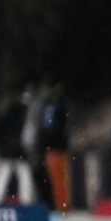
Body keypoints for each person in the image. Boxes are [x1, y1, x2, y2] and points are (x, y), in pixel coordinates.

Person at [0, 92, 35, 205]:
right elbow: (28, 135)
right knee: (24, 177)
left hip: (6, 150)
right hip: (20, 151)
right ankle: (26, 202)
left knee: (2, 176)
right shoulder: (26, 115)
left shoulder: (6, 114)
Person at [40, 83, 71, 211]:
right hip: (57, 146)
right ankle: (60, 203)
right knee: (59, 176)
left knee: (55, 176)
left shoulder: (51, 107)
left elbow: (50, 127)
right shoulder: (60, 107)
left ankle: (58, 203)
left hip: (52, 146)